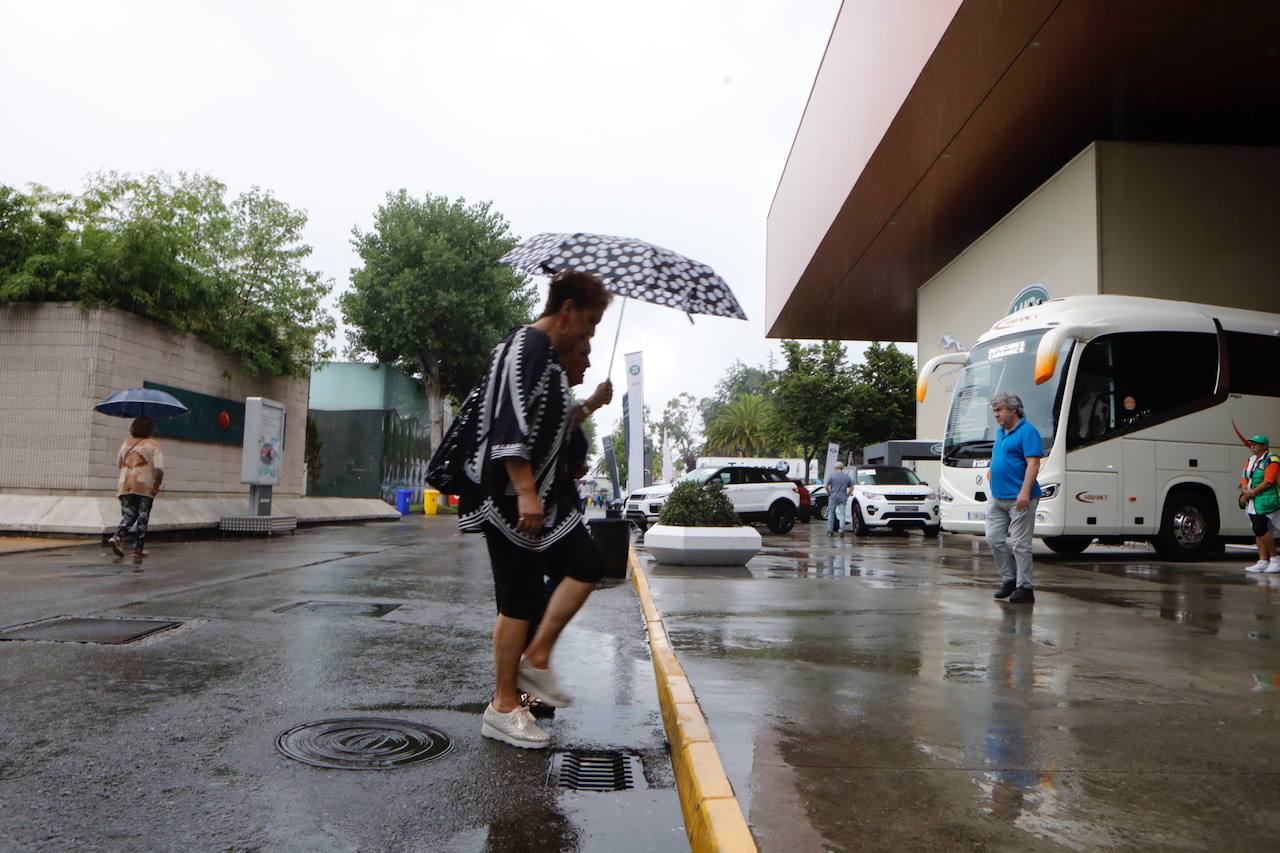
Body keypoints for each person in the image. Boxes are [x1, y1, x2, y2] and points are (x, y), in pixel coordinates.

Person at [458, 270, 613, 749]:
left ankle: (536, 660)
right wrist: (525, 490)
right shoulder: (523, 346)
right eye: (587, 324)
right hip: (510, 497)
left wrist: (586, 406)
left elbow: (548, 422)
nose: (588, 335)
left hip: (539, 498)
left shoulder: (544, 356)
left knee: (585, 564)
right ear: (566, 310)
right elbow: (509, 419)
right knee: (518, 598)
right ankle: (503, 707)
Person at [986, 391, 1043, 604]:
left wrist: (1024, 492)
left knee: (1020, 544)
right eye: (994, 411)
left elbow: (1033, 463)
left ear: (1013, 409)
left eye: (999, 410)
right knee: (993, 538)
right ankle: (1010, 579)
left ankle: (1025, 588)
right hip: (998, 498)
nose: (996, 415)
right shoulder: (1001, 433)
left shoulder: (1028, 432)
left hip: (1020, 498)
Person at [109, 417, 164, 558]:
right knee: (142, 517)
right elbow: (159, 469)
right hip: (144, 486)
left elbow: (118, 464)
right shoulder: (154, 445)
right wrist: (156, 485)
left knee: (129, 515)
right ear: (150, 429)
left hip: (125, 485)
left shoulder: (126, 444)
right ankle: (138, 548)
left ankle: (117, 536)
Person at [1240, 434, 1280, 574]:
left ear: (1264, 446)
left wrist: (1251, 493)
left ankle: (1275, 558)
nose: (1252, 445)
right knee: (1257, 529)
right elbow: (1244, 477)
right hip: (1254, 500)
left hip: (1266, 498)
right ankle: (1263, 560)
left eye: (1256, 443)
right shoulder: (1250, 460)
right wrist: (1245, 490)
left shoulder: (1272, 459)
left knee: (1260, 526)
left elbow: (1269, 481)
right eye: (1251, 443)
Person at [825, 461, 853, 535]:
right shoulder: (847, 476)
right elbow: (852, 487)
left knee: (831, 514)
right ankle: (841, 531)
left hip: (833, 497)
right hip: (843, 498)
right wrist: (848, 494)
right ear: (842, 468)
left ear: (835, 468)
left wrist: (829, 492)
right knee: (842, 514)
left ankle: (830, 531)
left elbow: (826, 486)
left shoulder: (832, 476)